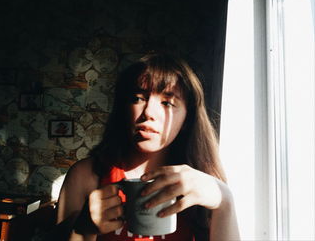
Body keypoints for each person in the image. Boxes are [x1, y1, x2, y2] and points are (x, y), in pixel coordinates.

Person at [56, 53, 240, 240]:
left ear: (187, 118)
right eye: (138, 98)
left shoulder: (200, 181)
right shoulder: (86, 175)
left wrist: (225, 202)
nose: (148, 113)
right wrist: (83, 228)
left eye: (167, 103)